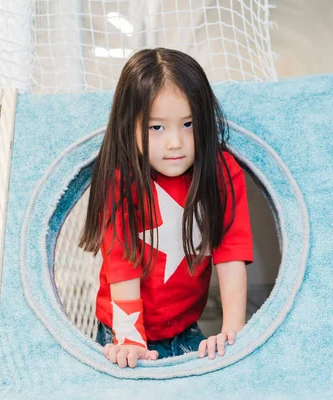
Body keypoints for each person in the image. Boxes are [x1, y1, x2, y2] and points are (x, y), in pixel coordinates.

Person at [78, 48, 253, 369]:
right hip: (122, 327)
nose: (175, 142)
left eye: (188, 124)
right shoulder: (122, 177)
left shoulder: (222, 170)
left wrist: (232, 332)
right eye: (156, 128)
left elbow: (230, 256)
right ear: (129, 125)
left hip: (185, 327)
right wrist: (130, 340)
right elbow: (122, 265)